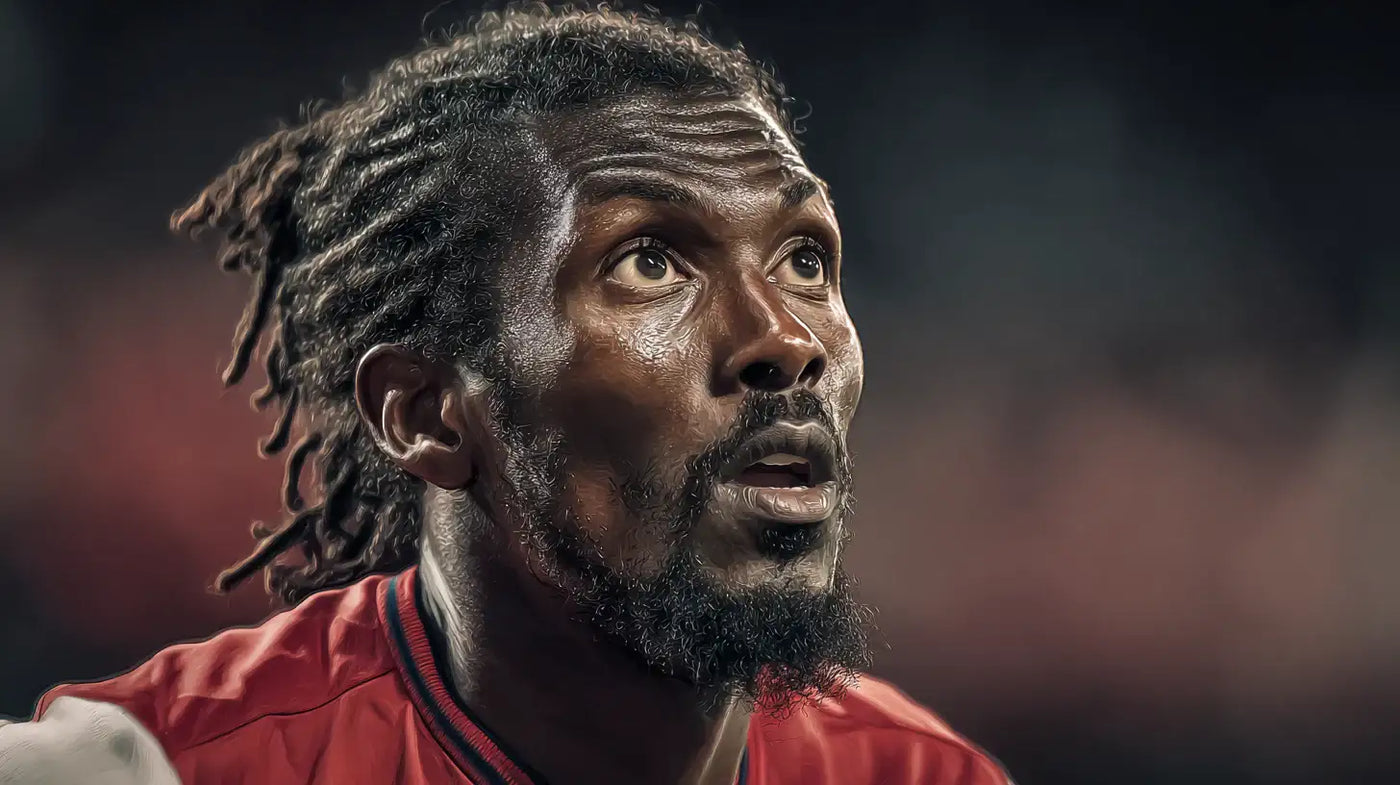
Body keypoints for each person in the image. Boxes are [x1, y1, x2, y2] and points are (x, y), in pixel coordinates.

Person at [0, 6, 1013, 784]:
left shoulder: (920, 771)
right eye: (650, 261)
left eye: (802, 258)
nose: (785, 340)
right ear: (426, 411)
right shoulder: (162, 766)